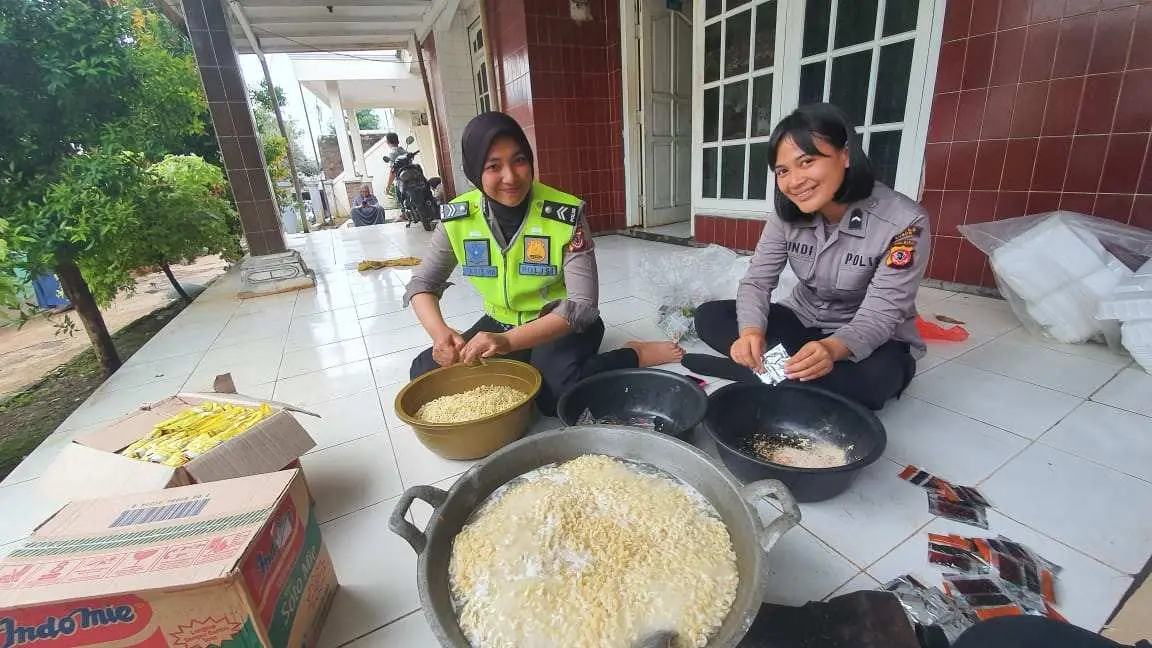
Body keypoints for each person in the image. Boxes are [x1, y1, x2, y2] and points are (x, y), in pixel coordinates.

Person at [404, 111, 682, 416]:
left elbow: (582, 305)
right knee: (424, 371)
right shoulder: (458, 217)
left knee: (555, 397)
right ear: (474, 170)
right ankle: (523, 358)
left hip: (564, 324)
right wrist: (440, 334)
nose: (511, 177)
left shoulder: (563, 214)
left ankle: (632, 354)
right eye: (493, 166)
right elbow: (423, 285)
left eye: (519, 160)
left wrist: (507, 342)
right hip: (501, 322)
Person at [690, 103, 930, 410]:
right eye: (783, 171)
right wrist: (750, 332)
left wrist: (833, 349)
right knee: (710, 317)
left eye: (807, 162)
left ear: (845, 155)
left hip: (871, 338)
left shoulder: (905, 222)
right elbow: (757, 282)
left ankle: (762, 374)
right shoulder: (787, 214)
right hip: (803, 321)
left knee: (869, 384)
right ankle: (794, 376)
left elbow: (882, 313)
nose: (795, 181)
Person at [383, 132, 406, 201]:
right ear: (398, 141)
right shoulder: (404, 151)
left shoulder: (392, 153)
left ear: (387, 142)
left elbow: (393, 171)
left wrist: (388, 187)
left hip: (402, 181)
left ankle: (404, 209)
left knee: (401, 201)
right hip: (413, 177)